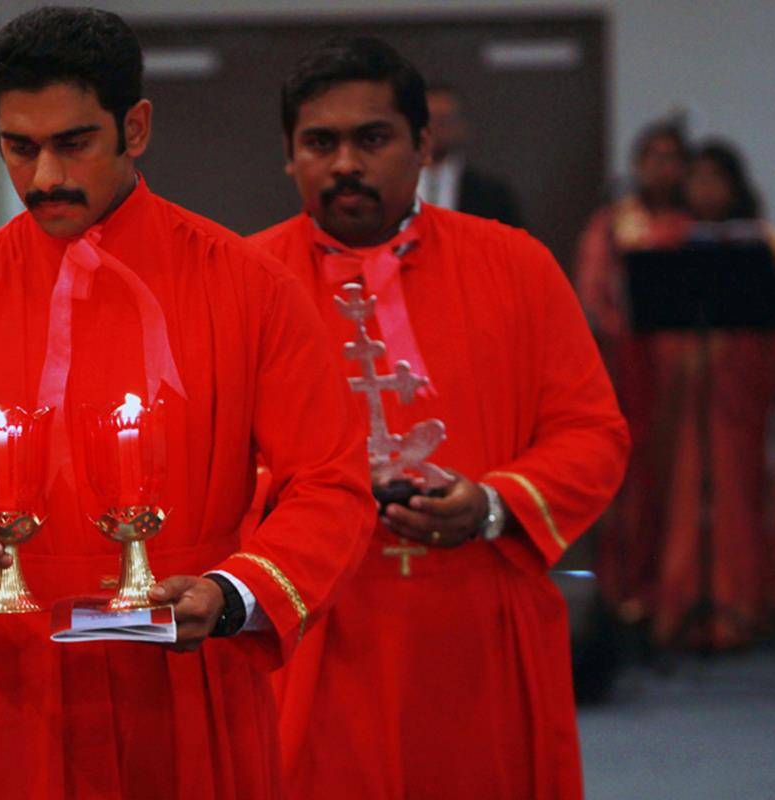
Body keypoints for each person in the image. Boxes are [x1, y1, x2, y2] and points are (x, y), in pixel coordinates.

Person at [0, 8, 375, 799]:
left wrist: (233, 595)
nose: (44, 177)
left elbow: (329, 485)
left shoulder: (249, 287)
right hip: (5, 683)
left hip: (186, 673)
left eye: (74, 143)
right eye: (19, 147)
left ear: (136, 128)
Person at [248, 36, 629, 799]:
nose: (345, 164)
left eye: (373, 139)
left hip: (474, 613)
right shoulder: (244, 279)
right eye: (319, 143)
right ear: (289, 156)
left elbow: (591, 433)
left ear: (423, 145)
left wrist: (491, 502)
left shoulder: (515, 264)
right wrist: (310, 503)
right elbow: (203, 458)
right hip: (311, 623)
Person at [649, 141, 775, 647]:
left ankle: (739, 603)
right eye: (697, 178)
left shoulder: (763, 245)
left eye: (714, 179)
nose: (704, 188)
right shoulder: (669, 241)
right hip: (688, 396)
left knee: (738, 491)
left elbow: (773, 325)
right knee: (687, 490)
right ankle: (683, 602)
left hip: (740, 395)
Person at [575, 122, 693, 627]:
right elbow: (593, 294)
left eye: (673, 158)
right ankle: (627, 597)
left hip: (688, 381)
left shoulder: (695, 224)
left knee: (684, 481)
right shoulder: (614, 223)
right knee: (631, 482)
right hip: (630, 371)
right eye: (653, 157)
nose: (663, 168)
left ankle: (681, 596)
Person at [416, 83, 523, 226]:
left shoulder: (491, 196)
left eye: (445, 120)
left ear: (461, 126)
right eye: (430, 119)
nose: (437, 128)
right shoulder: (393, 191)